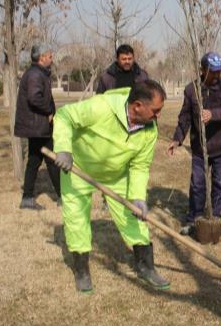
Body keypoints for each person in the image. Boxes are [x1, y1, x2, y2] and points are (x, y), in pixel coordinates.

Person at [52, 80, 169, 292]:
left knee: (133, 218)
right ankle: (81, 271)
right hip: (78, 169)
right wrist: (63, 148)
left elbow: (140, 165)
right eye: (155, 111)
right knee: (76, 220)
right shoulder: (102, 107)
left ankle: (146, 266)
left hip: (116, 175)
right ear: (137, 106)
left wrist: (138, 198)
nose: (158, 116)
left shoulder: (149, 131)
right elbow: (64, 115)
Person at [167, 52, 221, 235]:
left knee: (220, 184)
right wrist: (177, 139)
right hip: (199, 148)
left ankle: (216, 217)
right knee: (197, 184)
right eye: (212, 71)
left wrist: (213, 114)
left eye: (218, 71)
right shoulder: (192, 90)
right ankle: (194, 219)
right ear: (202, 69)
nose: (216, 75)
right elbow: (185, 117)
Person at [14, 44, 61, 210]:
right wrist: (49, 110)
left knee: (35, 160)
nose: (51, 58)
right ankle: (63, 197)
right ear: (41, 58)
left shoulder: (39, 73)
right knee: (51, 160)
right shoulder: (35, 74)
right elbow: (34, 98)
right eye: (49, 55)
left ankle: (27, 197)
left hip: (37, 126)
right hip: (37, 126)